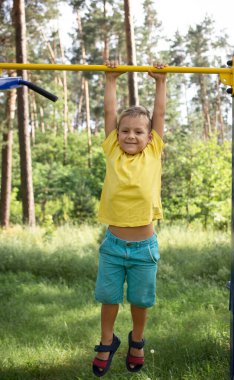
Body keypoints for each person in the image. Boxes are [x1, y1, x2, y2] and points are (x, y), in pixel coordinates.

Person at [92, 60, 167, 377]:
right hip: (113, 245)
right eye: (125, 131)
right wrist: (110, 81)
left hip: (144, 248)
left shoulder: (153, 152)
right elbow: (110, 114)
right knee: (108, 298)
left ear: (150, 137)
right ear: (116, 134)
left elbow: (159, 115)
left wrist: (160, 83)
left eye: (138, 131)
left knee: (140, 299)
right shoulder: (112, 150)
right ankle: (107, 341)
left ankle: (137, 340)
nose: (131, 136)